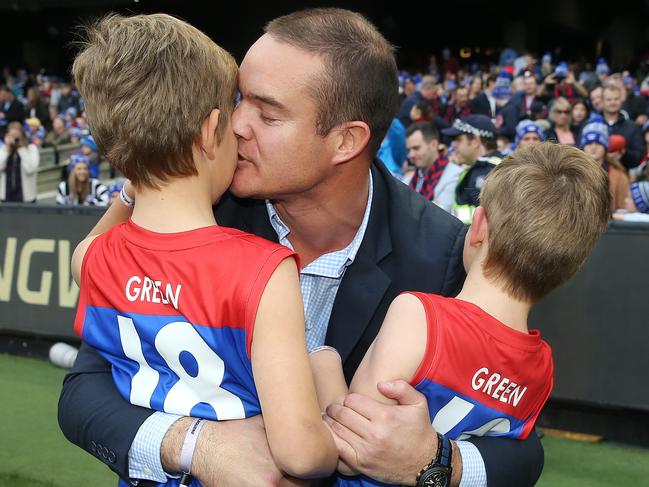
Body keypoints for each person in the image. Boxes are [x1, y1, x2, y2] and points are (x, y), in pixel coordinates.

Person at [59, 8, 544, 487]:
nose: (236, 124)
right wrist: (193, 445)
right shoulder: (201, 209)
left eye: (267, 113)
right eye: (236, 100)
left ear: (345, 141)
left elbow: (521, 450)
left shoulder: (442, 256)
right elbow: (84, 392)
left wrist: (439, 462)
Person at [65, 13, 337, 486]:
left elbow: (94, 240)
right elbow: (301, 455)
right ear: (212, 130)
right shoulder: (263, 269)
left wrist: (134, 186)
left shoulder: (91, 259)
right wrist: (327, 377)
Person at [310, 142, 611, 487]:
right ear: (571, 269)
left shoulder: (419, 316)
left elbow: (351, 451)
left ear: (479, 225)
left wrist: (322, 360)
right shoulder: (542, 366)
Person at [442, 114, 504, 224]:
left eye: (458, 140)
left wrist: (445, 213)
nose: (454, 145)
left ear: (475, 141)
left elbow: (490, 218)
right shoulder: (500, 164)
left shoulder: (488, 171)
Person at [580, 121, 629, 212]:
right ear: (583, 147)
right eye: (589, 143)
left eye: (598, 143)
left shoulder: (619, 175)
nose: (593, 147)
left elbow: (623, 209)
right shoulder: (573, 171)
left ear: (605, 147)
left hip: (610, 224)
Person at [405, 122, 448, 201]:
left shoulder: (454, 175)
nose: (410, 155)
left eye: (416, 148)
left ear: (434, 145)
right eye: (409, 150)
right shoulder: (409, 179)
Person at [0, 120, 40, 202]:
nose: (14, 138)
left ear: (22, 135)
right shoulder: (4, 150)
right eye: (12, 135)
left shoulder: (31, 149)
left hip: (26, 197)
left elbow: (30, 169)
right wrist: (7, 148)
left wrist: (21, 148)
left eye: (16, 135)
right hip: (7, 196)